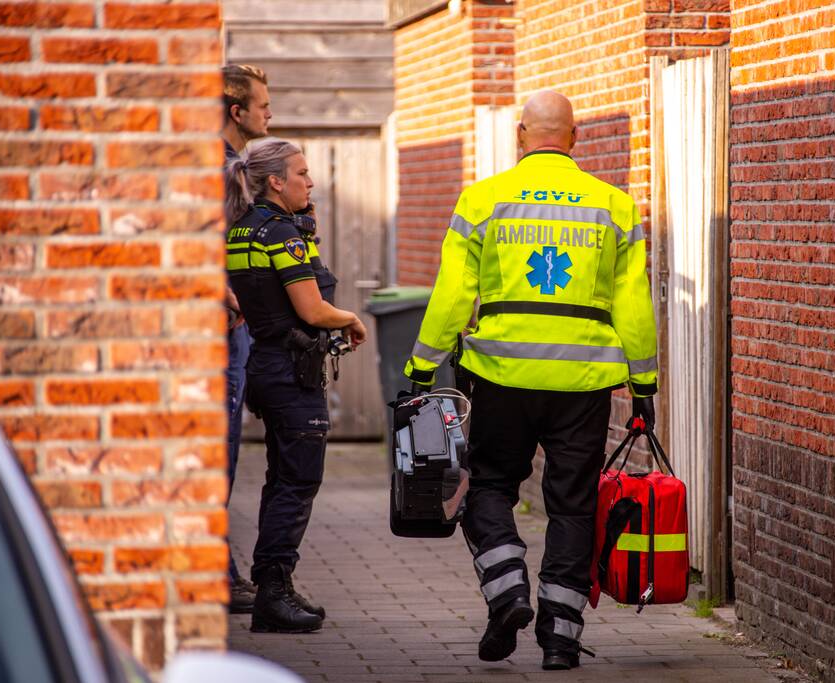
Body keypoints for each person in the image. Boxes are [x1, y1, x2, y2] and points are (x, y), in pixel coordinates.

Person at [402, 91, 658, 670]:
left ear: (521, 135)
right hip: (583, 382)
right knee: (573, 505)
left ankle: (508, 589)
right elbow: (634, 304)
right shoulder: (614, 206)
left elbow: (453, 295)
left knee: (489, 487)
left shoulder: (482, 199)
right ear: (575, 137)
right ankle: (561, 639)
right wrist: (644, 383)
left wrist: (422, 366)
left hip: (501, 375)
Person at [225, 138, 368, 633]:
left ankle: (274, 585)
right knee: (299, 480)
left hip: (265, 364)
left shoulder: (244, 227)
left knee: (281, 477)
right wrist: (350, 318)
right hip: (290, 371)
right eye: (302, 173)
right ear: (275, 181)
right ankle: (273, 592)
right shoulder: (280, 233)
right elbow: (312, 308)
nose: (310, 182)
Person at [220, 63, 272, 614]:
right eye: (262, 106)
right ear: (237, 111)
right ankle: (218, 576)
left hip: (234, 333)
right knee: (221, 454)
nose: (269, 115)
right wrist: (234, 299)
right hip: (222, 334)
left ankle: (222, 572)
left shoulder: (233, 165)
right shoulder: (219, 170)